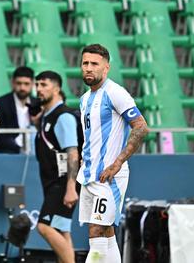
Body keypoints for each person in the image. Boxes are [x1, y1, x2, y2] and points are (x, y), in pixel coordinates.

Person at [78, 44, 148, 263]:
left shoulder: (115, 93)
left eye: (94, 64)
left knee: (96, 232)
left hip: (109, 177)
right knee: (106, 234)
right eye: (85, 63)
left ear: (106, 68)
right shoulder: (85, 99)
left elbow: (141, 127)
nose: (88, 68)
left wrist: (117, 163)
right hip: (89, 175)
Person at [34, 71, 82, 263]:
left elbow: (73, 153)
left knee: (44, 227)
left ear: (57, 88)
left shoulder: (63, 117)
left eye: (44, 85)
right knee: (62, 231)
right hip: (52, 181)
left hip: (63, 182)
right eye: (37, 84)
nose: (38, 89)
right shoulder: (47, 116)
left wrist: (71, 188)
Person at [0, 67, 38, 154]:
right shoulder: (0, 103)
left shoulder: (38, 103)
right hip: (8, 152)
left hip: (35, 150)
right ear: (12, 83)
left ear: (33, 84)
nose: (22, 87)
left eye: (26, 84)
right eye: (19, 83)